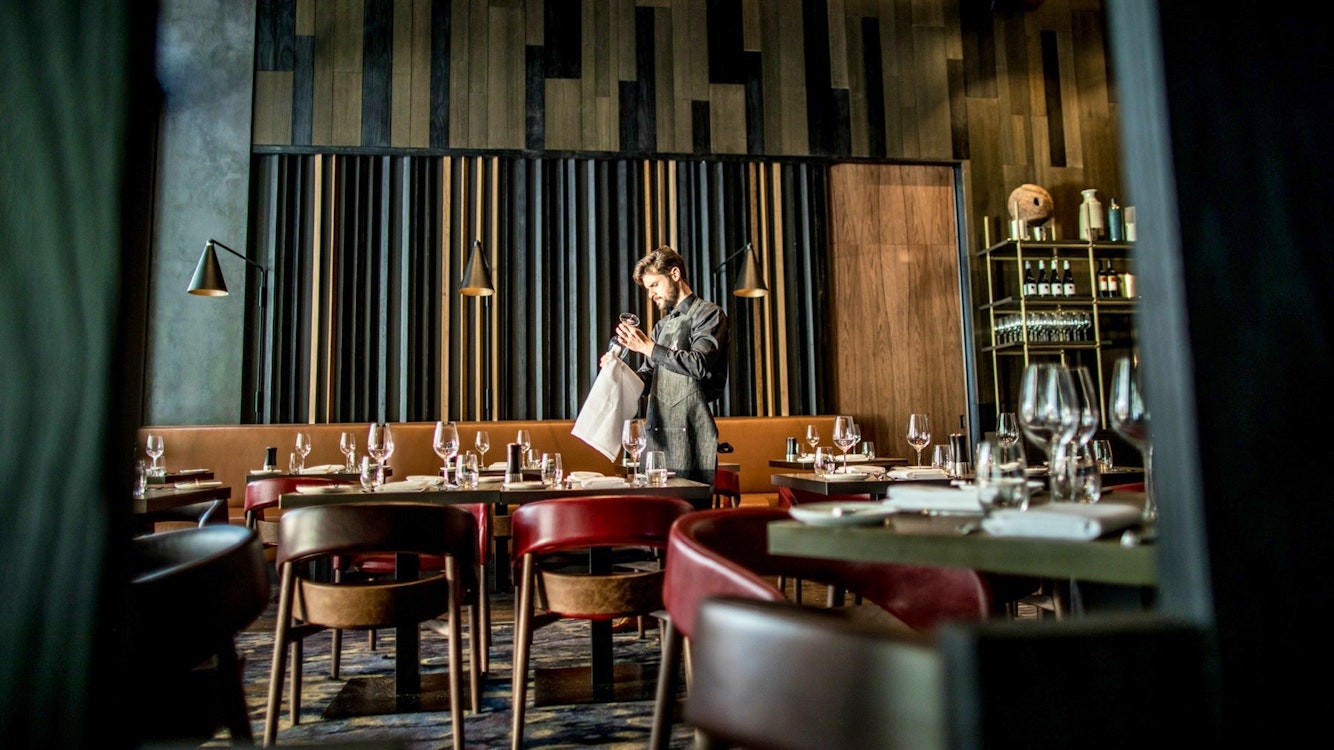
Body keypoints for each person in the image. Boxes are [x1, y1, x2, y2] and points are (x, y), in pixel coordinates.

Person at [600, 245, 731, 485]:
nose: (651, 294)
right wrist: (618, 371)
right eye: (647, 289)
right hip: (655, 437)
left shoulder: (709, 314)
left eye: (654, 285)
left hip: (691, 436)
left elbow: (699, 364)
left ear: (675, 274)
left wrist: (648, 347)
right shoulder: (661, 327)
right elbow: (647, 377)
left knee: (688, 507)